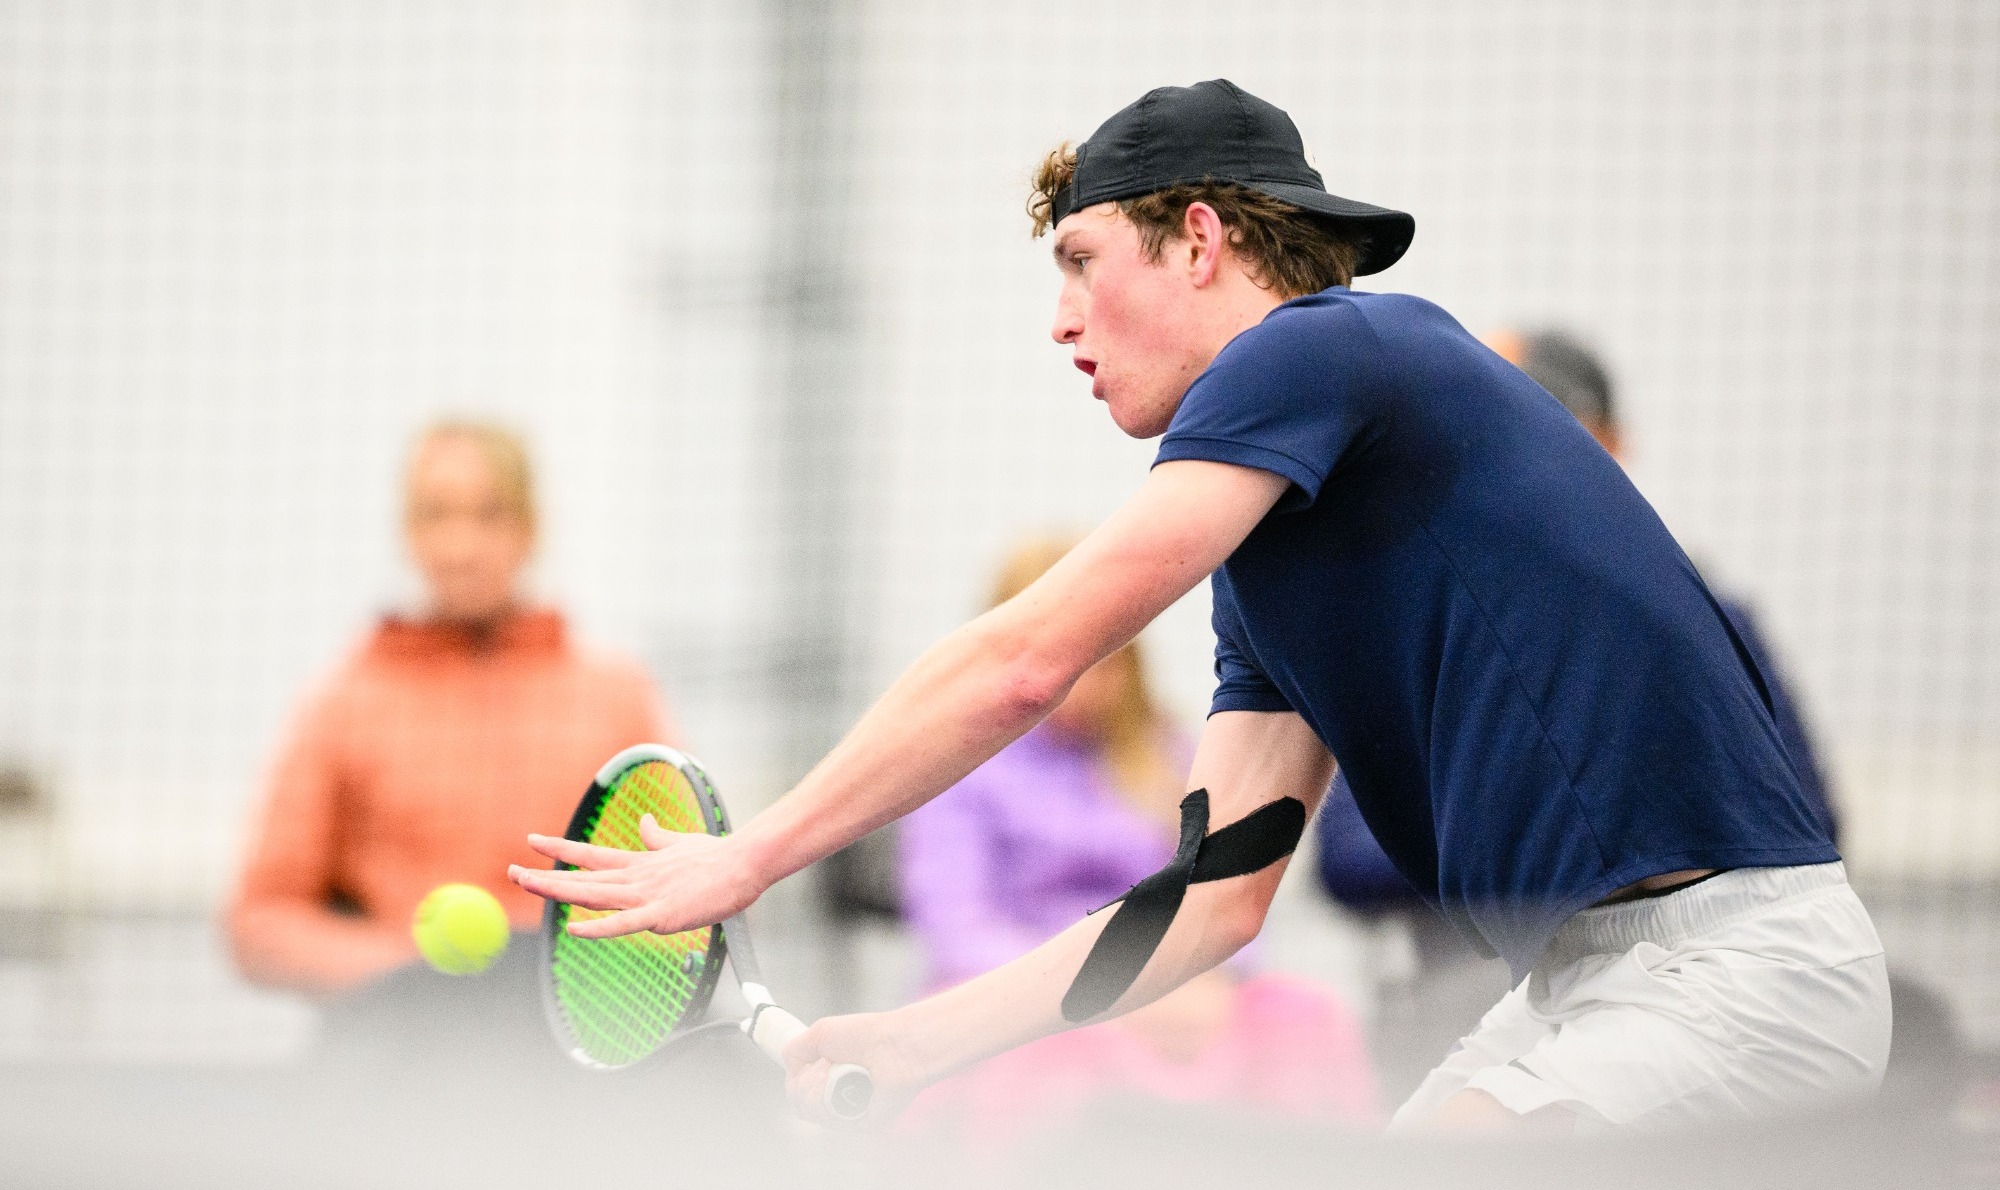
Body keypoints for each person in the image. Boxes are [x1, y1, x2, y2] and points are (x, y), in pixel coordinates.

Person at [512, 80, 1888, 1133]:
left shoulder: (1328, 344)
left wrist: (746, 856)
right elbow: (1205, 909)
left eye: (1082, 259)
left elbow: (1024, 660)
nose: (1060, 318)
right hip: (1585, 983)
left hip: (1737, 965)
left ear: (1201, 240)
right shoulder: (1272, 566)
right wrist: (909, 1043)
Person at [1312, 328, 1846, 1104]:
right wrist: (1556, 842)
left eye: (1549, 419)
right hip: (1478, 978)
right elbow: (1348, 858)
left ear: (1611, 440)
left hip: (1683, 975)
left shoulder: (1701, 614)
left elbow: (1807, 826)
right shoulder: (1416, 620)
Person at [898, 538, 1377, 1144]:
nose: (1079, 680)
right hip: (1020, 994)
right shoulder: (958, 769)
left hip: (1169, 989)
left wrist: (1211, 981)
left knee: (1305, 1017)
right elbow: (955, 926)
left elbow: (1229, 890)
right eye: (1057, 655)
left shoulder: (1173, 755)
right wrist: (1092, 992)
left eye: (1099, 657)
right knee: (1056, 1048)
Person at [230, 421, 676, 994]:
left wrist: (580, 982)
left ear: (531, 529)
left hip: (575, 1049)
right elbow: (262, 921)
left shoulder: (618, 698)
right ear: (409, 532)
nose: (462, 546)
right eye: (437, 515)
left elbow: (686, 899)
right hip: (403, 1052)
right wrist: (407, 976)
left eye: (489, 515)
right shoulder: (341, 705)